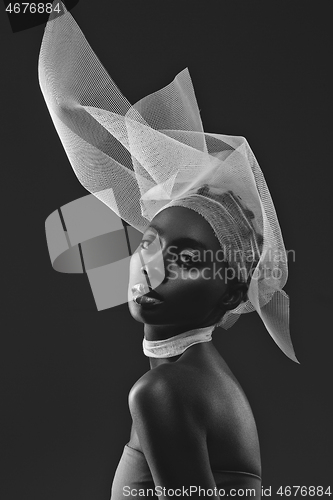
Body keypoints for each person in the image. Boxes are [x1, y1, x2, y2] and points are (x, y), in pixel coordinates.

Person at [38, 5, 299, 499]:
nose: (153, 270)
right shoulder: (196, 377)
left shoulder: (161, 391)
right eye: (149, 244)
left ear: (229, 295)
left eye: (187, 260)